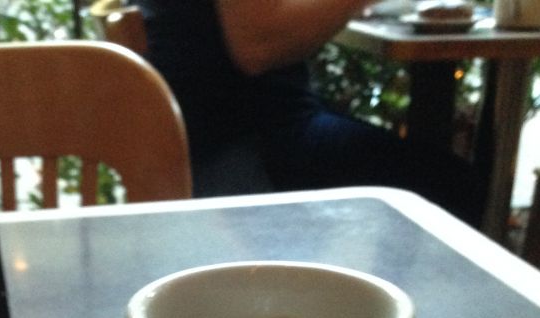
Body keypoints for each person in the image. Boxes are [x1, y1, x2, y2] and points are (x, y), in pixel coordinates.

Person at [136, 0, 487, 225]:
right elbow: (257, 46)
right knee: (451, 188)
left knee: (437, 178)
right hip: (236, 143)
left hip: (222, 130)